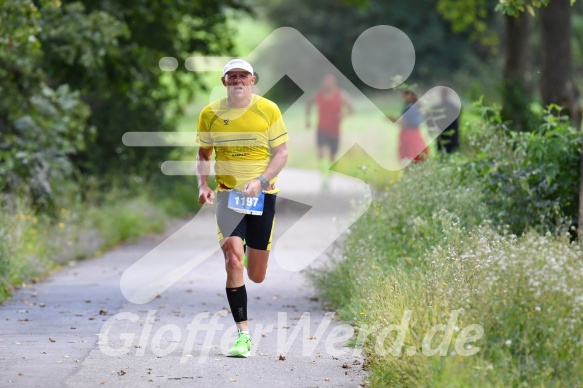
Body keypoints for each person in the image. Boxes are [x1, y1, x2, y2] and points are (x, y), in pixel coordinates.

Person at [196, 58, 289, 358]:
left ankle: (253, 253)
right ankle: (243, 336)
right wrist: (202, 184)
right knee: (234, 260)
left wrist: (261, 181)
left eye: (243, 76)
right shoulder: (210, 114)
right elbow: (203, 152)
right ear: (224, 82)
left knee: (257, 274)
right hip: (227, 196)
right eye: (231, 76)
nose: (237, 80)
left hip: (263, 195)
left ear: (252, 80)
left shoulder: (268, 109)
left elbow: (282, 153)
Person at [306, 73, 354, 167]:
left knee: (332, 156)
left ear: (333, 83)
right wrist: (308, 119)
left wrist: (343, 115)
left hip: (334, 129)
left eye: (330, 83)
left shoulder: (340, 94)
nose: (328, 85)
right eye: (326, 83)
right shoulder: (318, 95)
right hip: (322, 128)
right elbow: (309, 104)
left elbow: (351, 109)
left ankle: (329, 176)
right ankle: (322, 173)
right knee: (321, 152)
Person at [396, 90, 428, 163]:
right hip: (410, 133)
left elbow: (413, 122)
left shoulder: (412, 107)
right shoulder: (411, 106)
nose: (403, 97)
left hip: (411, 134)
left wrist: (398, 121)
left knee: (412, 153)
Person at [430, 87, 460, 154]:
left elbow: (456, 124)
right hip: (441, 136)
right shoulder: (436, 107)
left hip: (451, 137)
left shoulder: (453, 107)